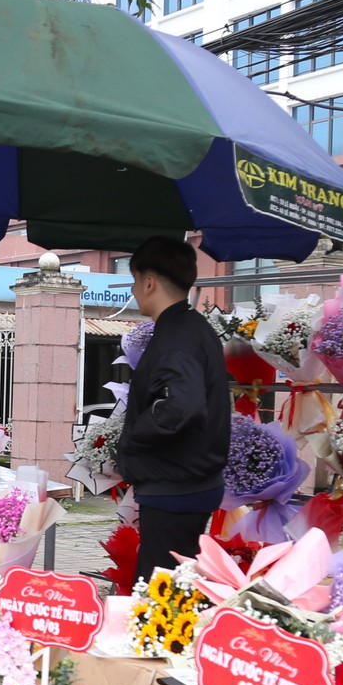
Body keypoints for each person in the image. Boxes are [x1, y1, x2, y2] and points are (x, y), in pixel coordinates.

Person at [114, 235, 230, 586]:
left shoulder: (176, 337)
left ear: (149, 282)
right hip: (188, 482)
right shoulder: (192, 327)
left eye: (135, 280)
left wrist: (132, 437)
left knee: (160, 597)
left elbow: (180, 406)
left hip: (176, 487)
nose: (134, 290)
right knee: (177, 588)